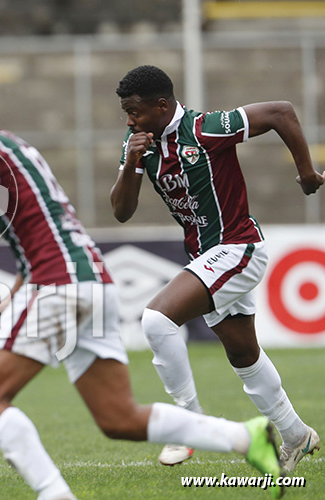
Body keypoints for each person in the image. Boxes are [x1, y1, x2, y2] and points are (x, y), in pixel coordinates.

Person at [0, 73, 286, 500]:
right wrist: (10, 298)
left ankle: (55, 495)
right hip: (93, 282)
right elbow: (49, 228)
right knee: (118, 418)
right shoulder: (11, 145)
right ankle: (245, 437)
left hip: (58, 287)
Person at [111, 65, 323, 471]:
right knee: (243, 353)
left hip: (238, 247)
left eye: (134, 112)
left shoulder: (206, 128)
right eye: (126, 113)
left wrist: (306, 172)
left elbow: (281, 112)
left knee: (156, 320)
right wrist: (132, 161)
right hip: (206, 258)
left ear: (162, 106)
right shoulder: (139, 145)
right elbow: (122, 211)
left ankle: (187, 425)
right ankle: (296, 434)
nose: (129, 121)